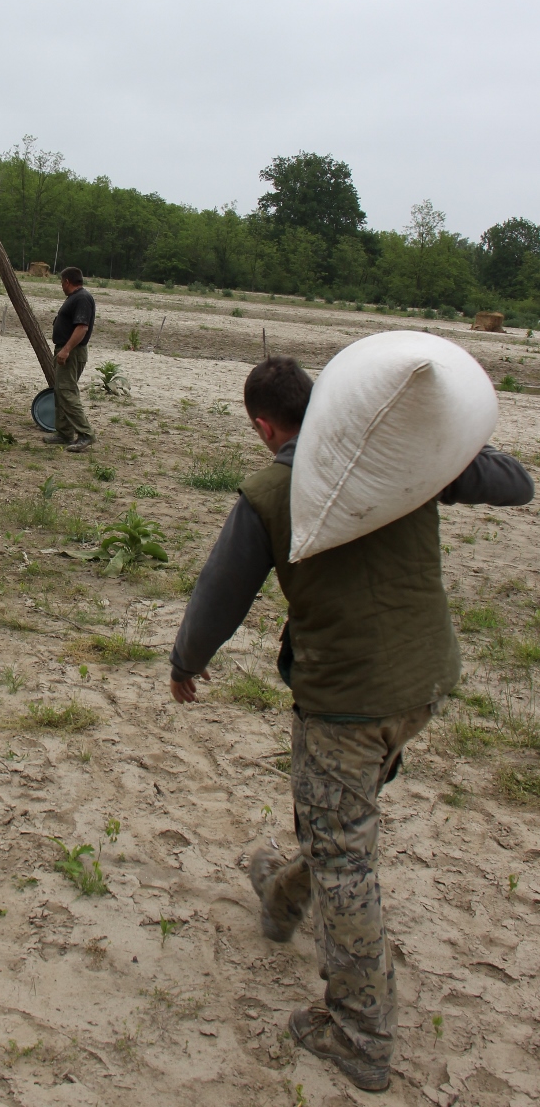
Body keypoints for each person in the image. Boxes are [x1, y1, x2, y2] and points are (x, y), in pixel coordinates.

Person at [169, 355, 534, 1094]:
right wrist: (439, 443)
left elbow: (221, 592)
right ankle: (280, 895)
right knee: (342, 822)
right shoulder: (403, 463)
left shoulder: (271, 488)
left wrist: (186, 660)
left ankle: (360, 1035)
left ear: (263, 426)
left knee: (344, 856)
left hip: (347, 700)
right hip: (425, 685)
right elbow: (515, 483)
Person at [44, 266, 96, 453]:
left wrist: (66, 350)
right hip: (66, 350)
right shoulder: (76, 298)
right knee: (60, 391)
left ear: (67, 281)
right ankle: (64, 433)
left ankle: (85, 434)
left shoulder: (82, 298)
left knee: (67, 392)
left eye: (61, 282)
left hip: (72, 352)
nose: (61, 286)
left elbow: (82, 327)